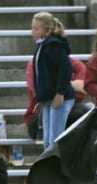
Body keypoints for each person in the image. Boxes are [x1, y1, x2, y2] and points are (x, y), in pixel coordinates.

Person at [32, 12, 75, 149]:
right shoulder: (42, 46)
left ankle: (56, 168)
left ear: (47, 31)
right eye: (32, 28)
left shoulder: (53, 46)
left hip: (59, 98)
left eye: (36, 29)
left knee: (55, 140)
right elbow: (42, 75)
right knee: (47, 141)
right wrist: (40, 97)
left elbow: (66, 68)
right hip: (48, 98)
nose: (32, 32)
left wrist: (60, 92)